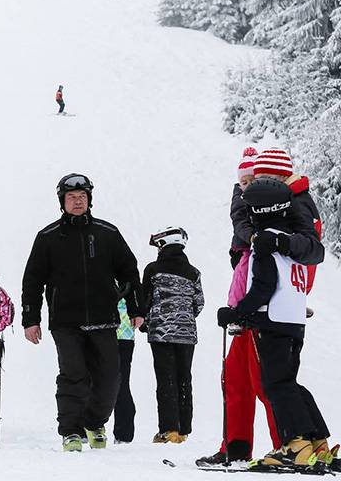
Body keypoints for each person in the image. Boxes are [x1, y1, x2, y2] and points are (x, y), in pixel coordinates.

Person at [21, 173, 143, 452]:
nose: (77, 201)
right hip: (66, 321)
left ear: (89, 200)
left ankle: (94, 423)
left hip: (104, 318)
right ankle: (71, 431)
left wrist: (136, 307)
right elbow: (32, 281)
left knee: (110, 378)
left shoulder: (107, 233)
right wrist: (31, 319)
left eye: (82, 197)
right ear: (62, 202)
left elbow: (129, 271)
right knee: (73, 375)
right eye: (72, 197)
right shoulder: (48, 237)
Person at [217, 179, 332, 470]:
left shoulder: (265, 243)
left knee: (275, 385)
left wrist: (235, 312)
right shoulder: (290, 242)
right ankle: (316, 441)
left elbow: (263, 288)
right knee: (289, 383)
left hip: (274, 322)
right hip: (293, 322)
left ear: (257, 211)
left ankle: (295, 444)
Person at [200, 149, 281, 467]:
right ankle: (235, 445)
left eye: (253, 181)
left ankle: (286, 445)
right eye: (244, 182)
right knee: (235, 378)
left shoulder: (278, 220)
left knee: (265, 380)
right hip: (245, 312)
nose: (247, 187)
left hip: (264, 314)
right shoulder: (247, 216)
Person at [142, 226, 204, 443]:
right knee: (184, 377)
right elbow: (199, 303)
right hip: (187, 334)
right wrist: (184, 318)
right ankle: (184, 429)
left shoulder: (153, 270)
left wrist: (146, 321)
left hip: (161, 333)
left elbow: (145, 299)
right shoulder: (194, 272)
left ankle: (169, 430)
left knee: (166, 378)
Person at [112, 295, 137, 444]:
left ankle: (123, 433)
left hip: (119, 332)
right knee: (121, 383)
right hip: (124, 332)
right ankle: (123, 433)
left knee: (120, 383)